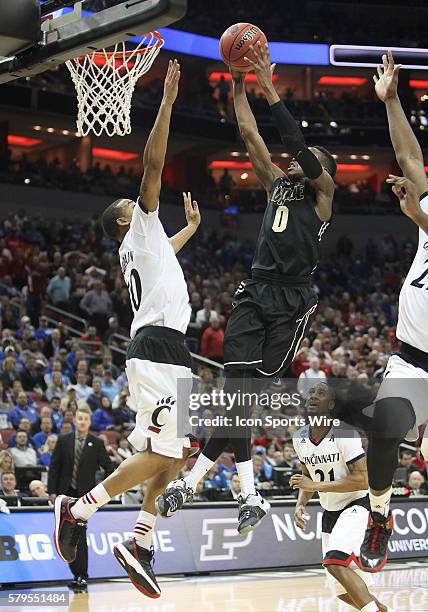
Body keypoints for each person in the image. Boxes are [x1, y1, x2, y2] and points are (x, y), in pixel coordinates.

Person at [156, 42, 335, 534]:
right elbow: (250, 132)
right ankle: (245, 494)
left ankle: (198, 484)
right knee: (237, 395)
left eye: (310, 158)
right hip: (257, 291)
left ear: (322, 170)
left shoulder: (324, 196)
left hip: (294, 301)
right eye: (301, 158)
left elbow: (296, 141)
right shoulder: (279, 183)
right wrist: (237, 82)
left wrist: (270, 87)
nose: (298, 159)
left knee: (240, 402)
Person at [53, 60, 201, 598]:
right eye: (134, 206)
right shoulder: (136, 223)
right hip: (158, 346)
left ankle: (140, 541)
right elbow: (154, 166)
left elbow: (164, 254)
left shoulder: (144, 243)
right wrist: (164, 103)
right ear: (125, 219)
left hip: (171, 349)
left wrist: (186, 230)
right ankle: (81, 507)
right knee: (164, 454)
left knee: (175, 453)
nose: (140, 205)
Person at [359, 51, 428, 571]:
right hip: (413, 355)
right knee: (383, 429)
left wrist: (418, 217)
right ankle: (380, 515)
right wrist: (392, 100)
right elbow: (409, 160)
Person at [291, 383, 392, 612]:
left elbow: (362, 479)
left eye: (321, 393)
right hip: (330, 512)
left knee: (335, 562)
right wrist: (301, 504)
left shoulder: (345, 432)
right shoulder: (299, 437)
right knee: (343, 591)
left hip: (357, 505)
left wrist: (314, 485)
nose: (313, 396)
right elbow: (308, 475)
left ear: (332, 404)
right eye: (311, 393)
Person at [48, 406, 114, 592]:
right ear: (75, 420)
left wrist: (105, 492)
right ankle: (76, 575)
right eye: (80, 418)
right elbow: (54, 468)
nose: (83, 421)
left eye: (86, 418)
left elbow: (109, 468)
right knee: (64, 537)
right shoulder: (63, 440)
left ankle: (82, 576)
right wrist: (52, 492)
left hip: (85, 498)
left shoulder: (97, 443)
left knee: (79, 536)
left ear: (90, 421)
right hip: (64, 496)